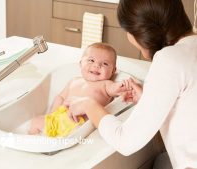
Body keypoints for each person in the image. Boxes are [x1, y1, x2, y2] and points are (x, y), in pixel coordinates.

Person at [65, 0, 197, 168]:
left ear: (142, 32)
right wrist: (147, 98)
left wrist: (88, 104)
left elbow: (125, 141)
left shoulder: (170, 60)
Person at [28, 43, 126, 137]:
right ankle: (36, 141)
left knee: (41, 125)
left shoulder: (105, 84)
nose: (97, 65)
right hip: (59, 118)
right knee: (35, 121)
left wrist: (120, 86)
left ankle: (44, 142)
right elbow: (60, 97)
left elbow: (114, 89)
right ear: (80, 64)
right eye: (91, 60)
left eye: (105, 63)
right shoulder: (74, 81)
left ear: (113, 71)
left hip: (77, 123)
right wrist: (52, 114)